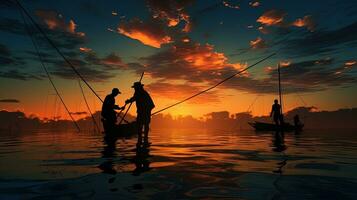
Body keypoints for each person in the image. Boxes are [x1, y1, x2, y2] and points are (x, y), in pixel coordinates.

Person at [126, 82, 155, 147]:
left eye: (135, 88)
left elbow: (134, 98)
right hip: (142, 111)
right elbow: (134, 98)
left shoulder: (141, 93)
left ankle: (143, 138)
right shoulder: (140, 92)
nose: (134, 89)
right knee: (142, 124)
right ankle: (143, 138)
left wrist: (128, 101)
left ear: (138, 88)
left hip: (144, 111)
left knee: (142, 124)